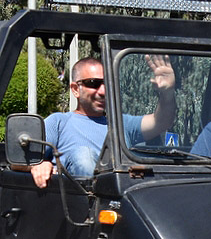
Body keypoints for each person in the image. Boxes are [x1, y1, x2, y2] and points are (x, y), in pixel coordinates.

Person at [31, 55, 177, 188]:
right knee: (83, 156)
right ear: (75, 89)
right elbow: (23, 158)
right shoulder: (58, 122)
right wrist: (40, 164)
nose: (102, 91)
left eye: (106, 83)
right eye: (93, 83)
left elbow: (161, 122)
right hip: (82, 210)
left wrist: (167, 93)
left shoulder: (121, 124)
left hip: (123, 202)